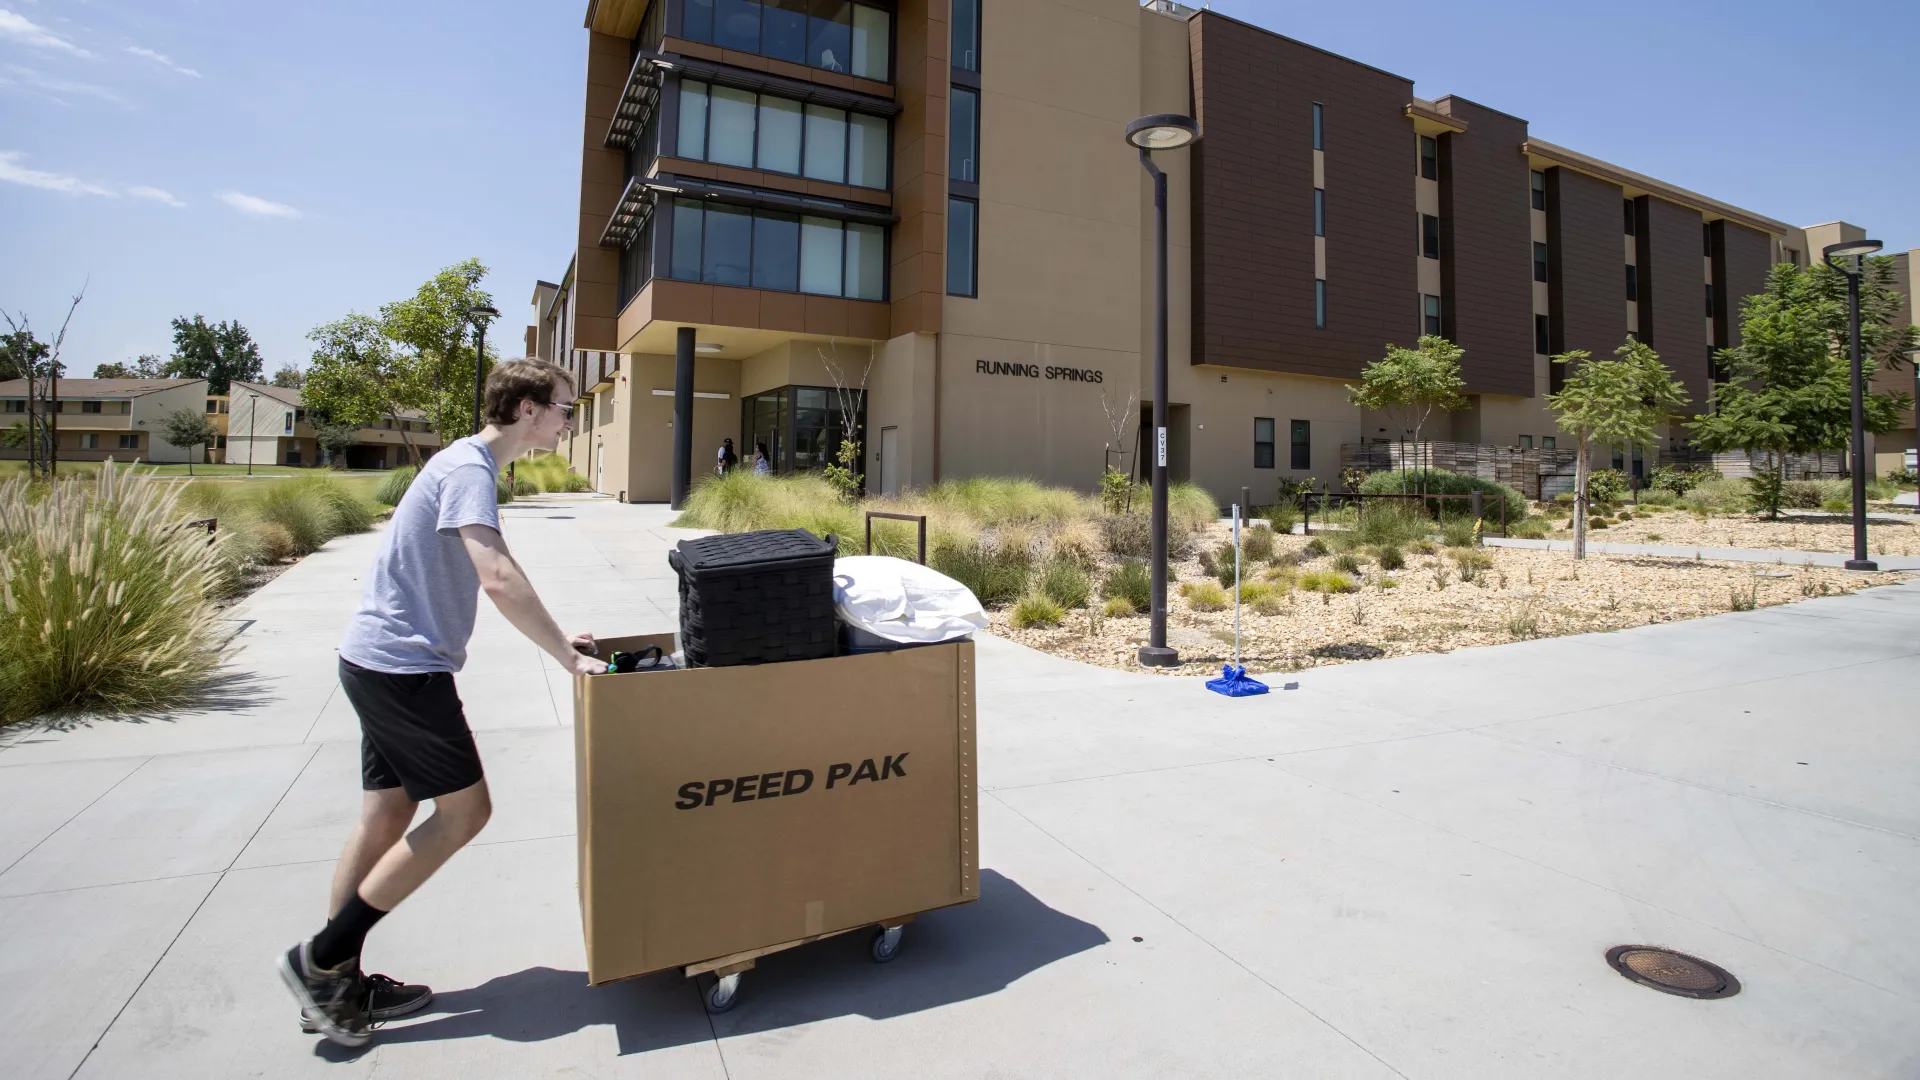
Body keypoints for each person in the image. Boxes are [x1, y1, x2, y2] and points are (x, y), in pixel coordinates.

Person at [278, 359, 604, 1048]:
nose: (571, 420)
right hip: (402, 669)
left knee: (388, 814)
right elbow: (495, 573)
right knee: (466, 812)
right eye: (566, 408)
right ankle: (321, 960)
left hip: (376, 660)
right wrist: (565, 655)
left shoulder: (470, 466)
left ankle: (337, 984)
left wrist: (556, 629)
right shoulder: (469, 472)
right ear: (528, 410)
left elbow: (491, 572)